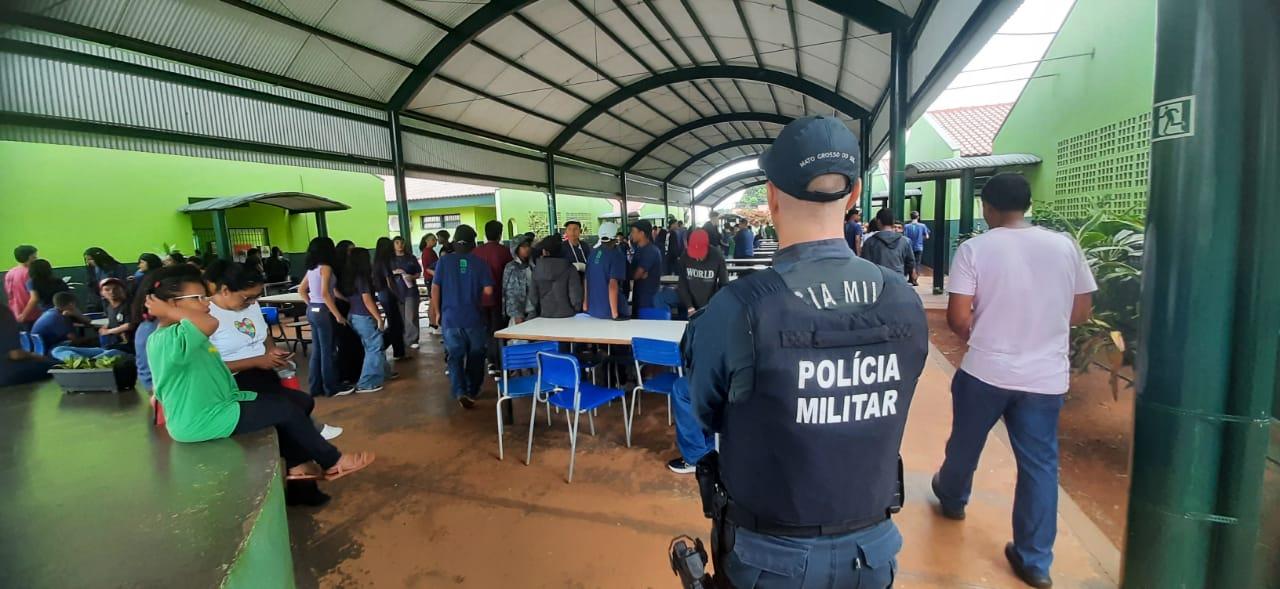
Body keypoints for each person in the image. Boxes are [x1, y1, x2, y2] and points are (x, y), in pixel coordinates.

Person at [684, 116, 927, 588]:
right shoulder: (904, 300)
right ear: (855, 195)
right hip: (872, 556)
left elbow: (704, 412)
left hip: (768, 559)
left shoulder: (737, 310)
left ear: (772, 197)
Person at [932, 173, 1096, 589]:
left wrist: (992, 335)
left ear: (987, 207)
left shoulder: (974, 249)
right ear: (1027, 204)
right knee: (1040, 465)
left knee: (966, 443)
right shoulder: (1065, 247)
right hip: (1045, 378)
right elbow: (1080, 313)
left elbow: (957, 318)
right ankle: (1034, 560)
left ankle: (952, 499)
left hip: (986, 371)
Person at [143, 265, 374, 504]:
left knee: (296, 402)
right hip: (203, 417)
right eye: (199, 298)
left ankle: (297, 465)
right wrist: (169, 311)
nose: (206, 303)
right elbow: (209, 324)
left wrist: (172, 310)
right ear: (172, 303)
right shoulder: (164, 340)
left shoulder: (182, 332)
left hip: (223, 402)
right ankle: (332, 462)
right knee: (284, 410)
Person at [429, 224, 494, 409]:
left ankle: (460, 391)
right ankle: (472, 391)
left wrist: (438, 311)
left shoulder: (444, 261)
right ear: (473, 243)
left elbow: (435, 287)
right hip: (474, 317)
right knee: (476, 356)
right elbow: (488, 290)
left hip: (450, 318)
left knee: (455, 356)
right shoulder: (480, 264)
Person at [297, 237, 351, 397]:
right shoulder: (326, 267)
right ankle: (331, 387)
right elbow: (325, 294)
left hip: (313, 310)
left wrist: (311, 305)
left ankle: (315, 387)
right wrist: (338, 315)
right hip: (324, 311)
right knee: (328, 350)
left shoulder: (312, 268)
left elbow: (301, 289)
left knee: (318, 350)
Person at [340, 248, 390, 393]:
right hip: (364, 316)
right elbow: (367, 300)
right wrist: (379, 318)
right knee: (375, 346)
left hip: (354, 314)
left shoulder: (349, 277)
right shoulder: (362, 278)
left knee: (372, 345)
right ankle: (366, 383)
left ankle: (384, 373)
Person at [31, 291, 127, 362]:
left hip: (46, 349)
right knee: (99, 347)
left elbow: (89, 322)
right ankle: (90, 361)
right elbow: (75, 341)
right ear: (71, 304)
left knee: (100, 348)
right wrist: (93, 339)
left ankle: (96, 358)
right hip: (52, 350)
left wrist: (77, 314)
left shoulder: (52, 312)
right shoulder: (59, 318)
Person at [472, 220, 513, 367]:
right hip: (497, 298)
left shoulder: (475, 251)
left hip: (478, 299)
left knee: (483, 329)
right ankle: (496, 361)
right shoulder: (504, 251)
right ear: (500, 234)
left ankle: (486, 359)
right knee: (497, 331)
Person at [1, 303, 58, 386]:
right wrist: (40, 357)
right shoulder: (3, 313)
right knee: (58, 367)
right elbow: (15, 354)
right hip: (7, 375)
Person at [675, 229, 728, 315]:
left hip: (711, 303)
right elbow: (682, 283)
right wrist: (689, 306)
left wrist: (716, 304)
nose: (697, 258)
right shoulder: (685, 256)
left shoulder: (717, 256)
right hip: (690, 303)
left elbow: (724, 284)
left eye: (700, 254)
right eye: (694, 255)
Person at [528, 234, 582, 319]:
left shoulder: (536, 270)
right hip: (567, 316)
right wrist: (576, 308)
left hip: (544, 315)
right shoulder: (570, 268)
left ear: (545, 251)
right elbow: (576, 297)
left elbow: (533, 297)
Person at [584, 223, 629, 320]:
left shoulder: (593, 253)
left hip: (593, 310)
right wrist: (615, 314)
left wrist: (585, 304)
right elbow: (613, 285)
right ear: (615, 237)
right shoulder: (617, 255)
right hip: (610, 310)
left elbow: (586, 279)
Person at [861, 208, 916, 283]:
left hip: (878, 281)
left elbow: (865, 264)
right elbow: (910, 262)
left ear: (878, 221)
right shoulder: (904, 241)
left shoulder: (870, 242)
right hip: (898, 280)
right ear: (893, 222)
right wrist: (901, 273)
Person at [373, 238, 406, 360]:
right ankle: (380, 347)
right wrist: (398, 296)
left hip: (383, 294)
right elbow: (390, 282)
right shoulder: (384, 262)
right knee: (395, 325)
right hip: (388, 295)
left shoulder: (377, 261)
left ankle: (399, 352)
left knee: (395, 324)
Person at [391, 236, 423, 351]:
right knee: (401, 316)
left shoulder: (411, 258)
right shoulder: (391, 259)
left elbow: (419, 273)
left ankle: (413, 339)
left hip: (410, 290)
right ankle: (404, 338)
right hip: (396, 291)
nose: (400, 245)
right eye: (397, 243)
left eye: (402, 243)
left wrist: (412, 276)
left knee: (411, 315)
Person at [628, 220, 663, 314]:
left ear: (642, 233)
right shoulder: (639, 249)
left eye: (633, 232)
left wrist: (633, 274)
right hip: (638, 296)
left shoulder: (651, 251)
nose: (631, 234)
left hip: (648, 298)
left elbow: (636, 275)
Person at [501, 237, 535, 324]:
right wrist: (517, 314)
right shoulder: (511, 267)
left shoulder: (532, 265)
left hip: (533, 311)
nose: (527, 249)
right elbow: (510, 292)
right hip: (519, 314)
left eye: (528, 246)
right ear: (516, 249)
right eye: (523, 247)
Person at [83, 247, 128, 311]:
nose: (88, 262)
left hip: (116, 303)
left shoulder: (118, 268)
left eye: (90, 259)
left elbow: (122, 285)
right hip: (98, 304)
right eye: (87, 260)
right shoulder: (91, 269)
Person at [7, 245, 39, 326]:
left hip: (15, 314)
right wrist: (24, 315)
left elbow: (11, 296)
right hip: (31, 315)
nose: (36, 259)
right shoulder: (30, 273)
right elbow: (34, 298)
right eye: (34, 257)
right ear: (29, 257)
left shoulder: (10, 273)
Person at [97, 278, 133, 349]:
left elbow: (130, 325)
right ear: (102, 293)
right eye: (107, 289)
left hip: (128, 346)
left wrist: (108, 331)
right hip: (113, 344)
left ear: (123, 290)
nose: (112, 292)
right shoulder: (109, 307)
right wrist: (105, 327)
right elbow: (113, 321)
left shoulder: (129, 304)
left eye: (116, 288)